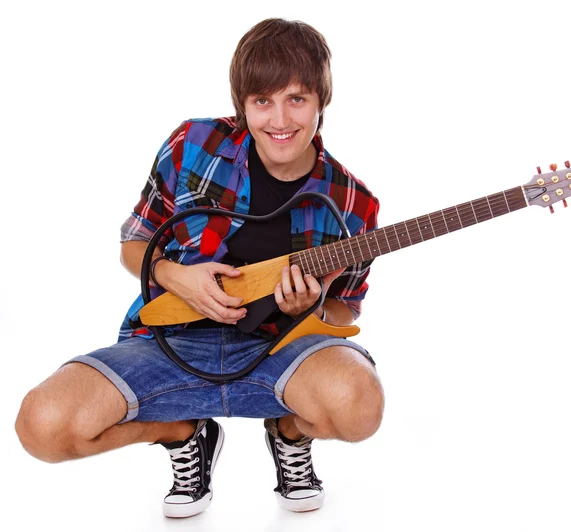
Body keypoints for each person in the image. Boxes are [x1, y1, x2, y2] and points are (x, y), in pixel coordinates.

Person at [15, 18, 384, 517]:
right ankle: (184, 432)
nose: (280, 119)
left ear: (322, 101)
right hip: (170, 344)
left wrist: (310, 307)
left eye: (296, 99)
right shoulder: (195, 145)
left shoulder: (353, 202)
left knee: (361, 407)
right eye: (262, 101)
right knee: (43, 425)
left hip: (276, 353)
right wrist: (172, 275)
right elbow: (133, 244)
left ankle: (288, 433)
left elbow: (345, 311)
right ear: (243, 105)